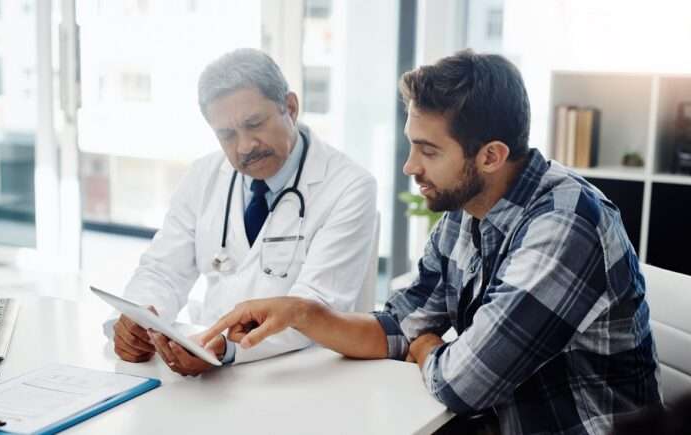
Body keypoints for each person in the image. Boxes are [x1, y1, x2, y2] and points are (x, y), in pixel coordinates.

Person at [201, 49, 661, 434]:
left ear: (490, 156)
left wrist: (426, 350)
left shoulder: (565, 225)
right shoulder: (469, 209)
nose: (410, 167)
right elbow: (400, 326)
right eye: (411, 145)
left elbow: (465, 383)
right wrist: (300, 312)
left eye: (429, 151)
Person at [108, 48, 378, 376]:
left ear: (290, 108)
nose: (245, 146)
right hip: (209, 368)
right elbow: (163, 271)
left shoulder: (349, 186)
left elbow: (314, 308)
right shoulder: (203, 176)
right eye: (227, 134)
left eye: (254, 124)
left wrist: (229, 349)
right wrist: (140, 321)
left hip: (303, 376)